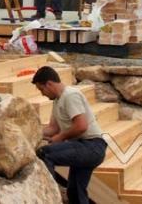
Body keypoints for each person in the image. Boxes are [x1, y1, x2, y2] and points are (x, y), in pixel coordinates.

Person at [33, 66, 107, 204]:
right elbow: (52, 129)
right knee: (75, 193)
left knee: (45, 154)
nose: (42, 94)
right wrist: (32, 133)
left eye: (41, 89)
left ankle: (49, 196)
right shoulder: (57, 100)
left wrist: (60, 137)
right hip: (84, 146)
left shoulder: (70, 95)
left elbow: (81, 126)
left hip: (92, 147)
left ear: (49, 83)